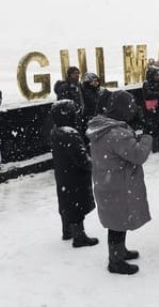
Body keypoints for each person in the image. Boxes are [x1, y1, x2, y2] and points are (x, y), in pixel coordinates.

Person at [86, 90, 152, 275]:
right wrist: (147, 136)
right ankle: (115, 261)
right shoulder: (116, 134)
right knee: (117, 224)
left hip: (109, 184)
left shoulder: (102, 128)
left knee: (117, 222)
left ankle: (119, 251)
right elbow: (138, 155)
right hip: (118, 186)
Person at [50, 100, 99, 247]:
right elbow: (82, 159)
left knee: (66, 202)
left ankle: (67, 230)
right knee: (77, 203)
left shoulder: (56, 131)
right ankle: (79, 236)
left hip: (63, 174)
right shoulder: (70, 134)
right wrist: (94, 165)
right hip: (75, 176)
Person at [142, 66, 159, 153]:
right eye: (156, 75)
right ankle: (146, 147)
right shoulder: (146, 83)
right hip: (149, 109)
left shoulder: (157, 83)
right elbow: (147, 95)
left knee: (156, 128)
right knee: (149, 128)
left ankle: (156, 147)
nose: (158, 77)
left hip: (156, 107)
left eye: (158, 75)